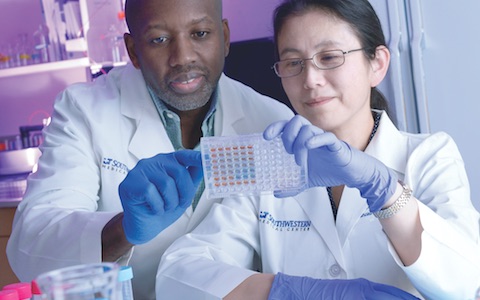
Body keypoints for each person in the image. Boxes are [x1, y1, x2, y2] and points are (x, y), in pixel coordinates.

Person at [156, 0, 480, 299]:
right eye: (293, 62)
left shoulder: (429, 156)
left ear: (377, 64)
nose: (310, 79)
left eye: (329, 57)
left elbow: (466, 282)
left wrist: (384, 191)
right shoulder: (269, 165)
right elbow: (177, 275)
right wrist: (290, 291)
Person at [6, 0, 294, 298]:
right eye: (159, 39)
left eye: (200, 33)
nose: (182, 57)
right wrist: (123, 229)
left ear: (224, 37)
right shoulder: (85, 111)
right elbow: (30, 249)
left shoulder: (272, 122)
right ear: (133, 50)